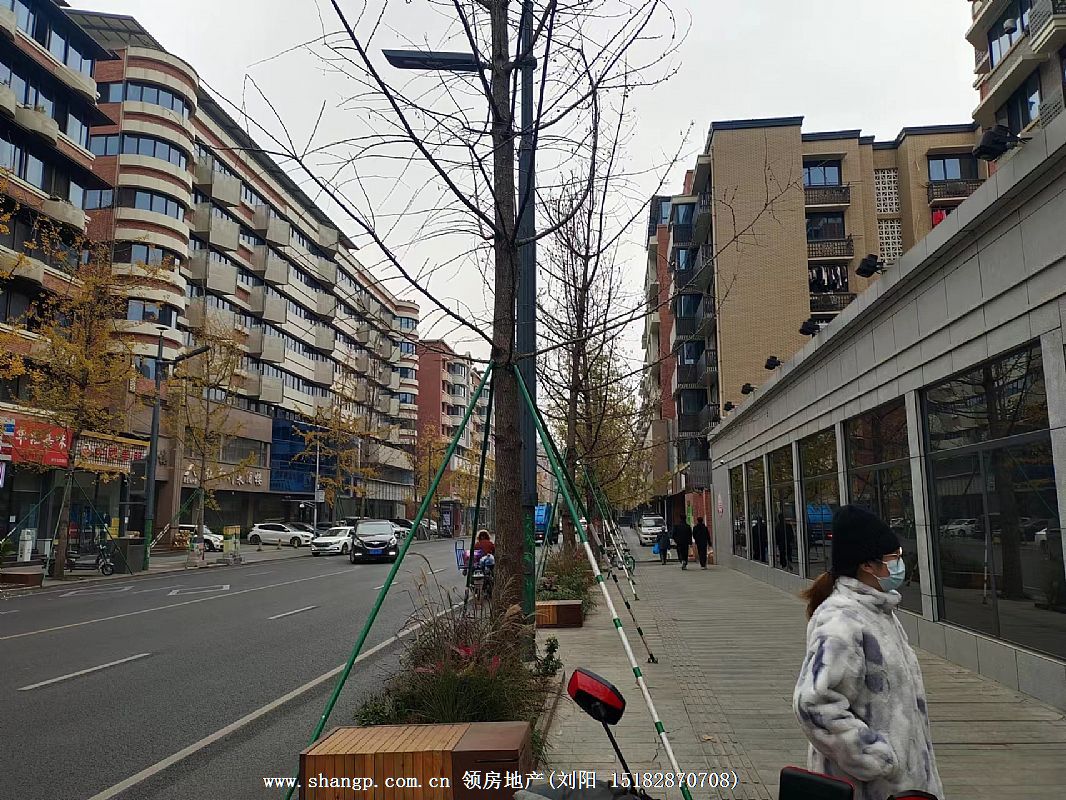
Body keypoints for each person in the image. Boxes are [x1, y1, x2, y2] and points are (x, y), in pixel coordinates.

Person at [793, 506, 943, 800]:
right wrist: (875, 757)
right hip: (870, 788)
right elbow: (812, 703)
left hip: (902, 785)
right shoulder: (842, 621)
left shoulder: (878, 611)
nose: (899, 564)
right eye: (893, 558)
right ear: (867, 566)